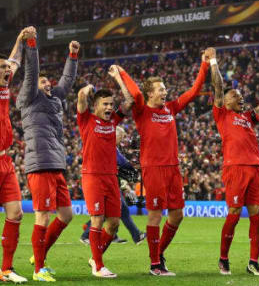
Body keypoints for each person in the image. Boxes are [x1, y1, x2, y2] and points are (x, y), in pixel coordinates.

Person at [119, 50, 210, 276]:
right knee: (155, 215)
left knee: (177, 215)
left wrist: (204, 64)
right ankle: (154, 265)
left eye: (165, 89)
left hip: (173, 169)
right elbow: (135, 93)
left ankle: (158, 254)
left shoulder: (170, 108)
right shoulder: (142, 111)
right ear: (150, 93)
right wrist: (122, 73)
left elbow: (194, 91)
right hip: (154, 169)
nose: (165, 92)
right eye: (160, 89)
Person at [209, 48, 259, 276]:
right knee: (234, 214)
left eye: (240, 95)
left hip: (254, 170)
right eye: (235, 95)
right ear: (225, 102)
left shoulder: (248, 117)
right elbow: (217, 85)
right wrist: (213, 61)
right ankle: (223, 259)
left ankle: (253, 262)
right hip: (235, 169)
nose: (240, 97)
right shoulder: (222, 115)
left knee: (258, 216)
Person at [17, 27, 79, 282]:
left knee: (66, 215)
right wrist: (31, 43)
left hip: (56, 163)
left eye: (48, 81)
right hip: (39, 162)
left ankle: (39, 255)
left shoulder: (54, 99)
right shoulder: (28, 96)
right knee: (42, 216)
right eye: (44, 81)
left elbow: (67, 82)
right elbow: (31, 73)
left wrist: (72, 56)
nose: (48, 83)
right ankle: (38, 269)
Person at [76, 64, 134, 278]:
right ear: (96, 106)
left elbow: (129, 102)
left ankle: (95, 257)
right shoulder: (86, 120)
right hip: (92, 176)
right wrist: (87, 89)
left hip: (111, 178)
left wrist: (118, 78)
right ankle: (98, 266)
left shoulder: (113, 122)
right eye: (105, 104)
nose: (110, 107)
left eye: (111, 104)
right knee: (97, 221)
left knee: (114, 223)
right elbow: (82, 99)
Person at [80, 126, 147, 246]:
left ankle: (120, 235)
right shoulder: (110, 146)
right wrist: (136, 166)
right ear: (115, 135)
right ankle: (87, 235)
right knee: (116, 211)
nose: (122, 140)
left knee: (117, 211)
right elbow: (122, 163)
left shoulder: (112, 147)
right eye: (121, 137)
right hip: (106, 183)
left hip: (112, 182)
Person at [0, 28, 31, 284]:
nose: (6, 70)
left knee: (16, 214)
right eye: (1, 68)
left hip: (5, 161)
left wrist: (20, 38)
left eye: (4, 68)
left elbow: (15, 62)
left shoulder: (5, 86)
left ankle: (6, 269)